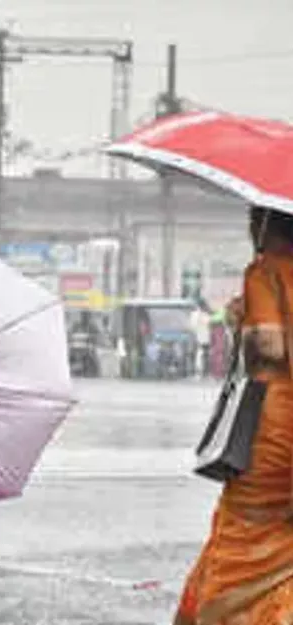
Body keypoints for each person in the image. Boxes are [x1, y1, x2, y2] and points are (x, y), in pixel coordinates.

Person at [173, 206, 293, 625]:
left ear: (266, 225)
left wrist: (242, 322)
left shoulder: (264, 272)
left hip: (276, 428)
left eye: (253, 220)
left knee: (248, 526)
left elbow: (270, 346)